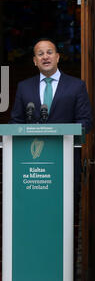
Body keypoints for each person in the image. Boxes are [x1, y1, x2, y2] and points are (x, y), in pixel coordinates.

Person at [10, 38, 93, 211]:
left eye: (49, 52)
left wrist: (63, 133)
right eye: (40, 54)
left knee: (65, 211)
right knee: (35, 210)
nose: (45, 57)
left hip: (66, 161)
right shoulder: (24, 87)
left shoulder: (76, 86)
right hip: (33, 166)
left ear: (57, 57)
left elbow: (85, 121)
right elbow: (15, 122)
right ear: (34, 61)